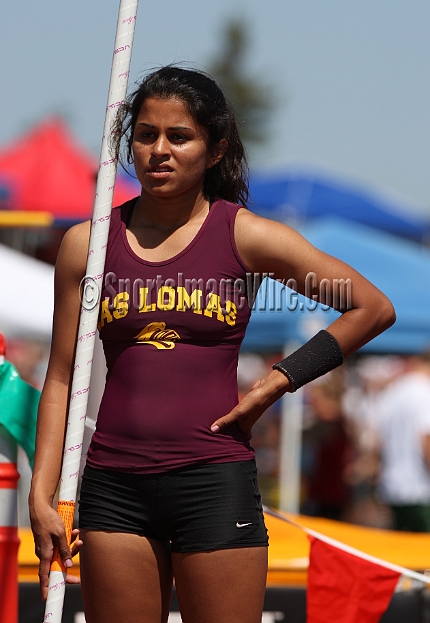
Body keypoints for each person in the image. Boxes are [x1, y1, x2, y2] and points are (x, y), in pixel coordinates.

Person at [29, 66, 395, 623]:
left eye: (180, 136)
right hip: (114, 487)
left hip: (213, 480)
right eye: (146, 134)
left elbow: (370, 307)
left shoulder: (246, 236)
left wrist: (277, 382)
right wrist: (41, 492)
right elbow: (60, 378)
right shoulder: (88, 245)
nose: (159, 150)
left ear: (215, 147)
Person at [374, 354, 430, 532]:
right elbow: (426, 440)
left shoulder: (394, 391)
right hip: (420, 489)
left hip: (393, 487)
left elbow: (377, 440)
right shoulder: (424, 391)